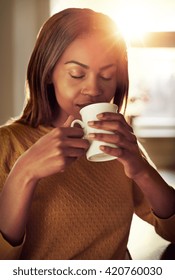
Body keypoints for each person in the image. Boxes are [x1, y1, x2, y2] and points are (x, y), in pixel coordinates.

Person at [0, 8, 175, 260]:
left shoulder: (118, 143)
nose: (93, 88)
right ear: (48, 72)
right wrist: (25, 172)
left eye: (107, 75)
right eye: (77, 74)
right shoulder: (7, 144)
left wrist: (140, 168)